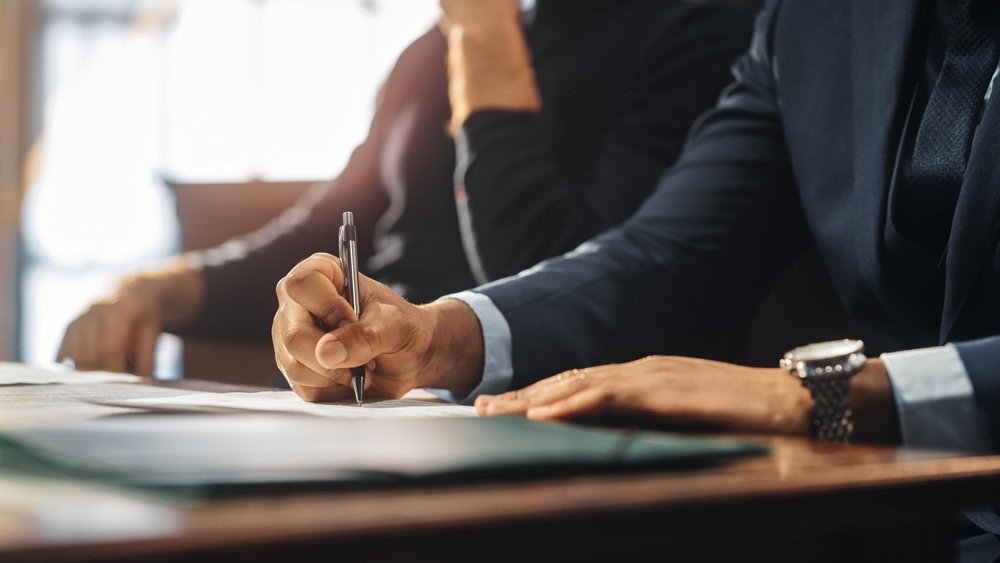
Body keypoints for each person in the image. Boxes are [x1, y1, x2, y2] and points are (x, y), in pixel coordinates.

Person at [273, 0, 1000, 555]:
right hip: (898, 521)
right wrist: (438, 336)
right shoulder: (814, 17)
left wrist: (831, 395)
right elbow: (672, 255)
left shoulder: (690, 24)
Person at [57, 0, 753, 376]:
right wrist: (158, 289)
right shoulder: (430, 52)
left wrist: (484, 38)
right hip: (377, 399)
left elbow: (558, 283)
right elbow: (328, 233)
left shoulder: (701, 30)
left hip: (521, 414)